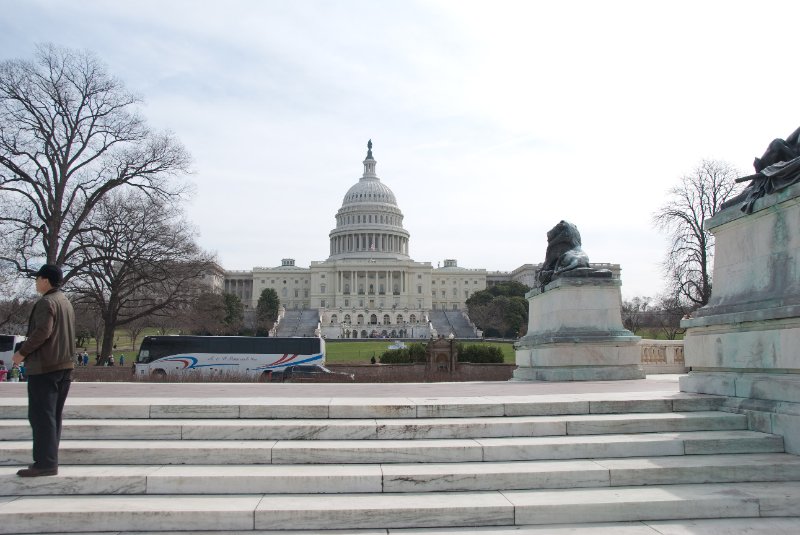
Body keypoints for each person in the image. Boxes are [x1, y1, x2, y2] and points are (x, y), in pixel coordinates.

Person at [12, 264, 76, 477]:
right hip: (64, 365)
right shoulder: (65, 301)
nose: (36, 282)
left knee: (41, 416)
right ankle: (48, 460)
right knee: (52, 416)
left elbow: (43, 332)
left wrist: (22, 352)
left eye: (37, 278)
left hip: (46, 366)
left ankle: (46, 463)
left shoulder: (47, 302)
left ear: (45, 280)